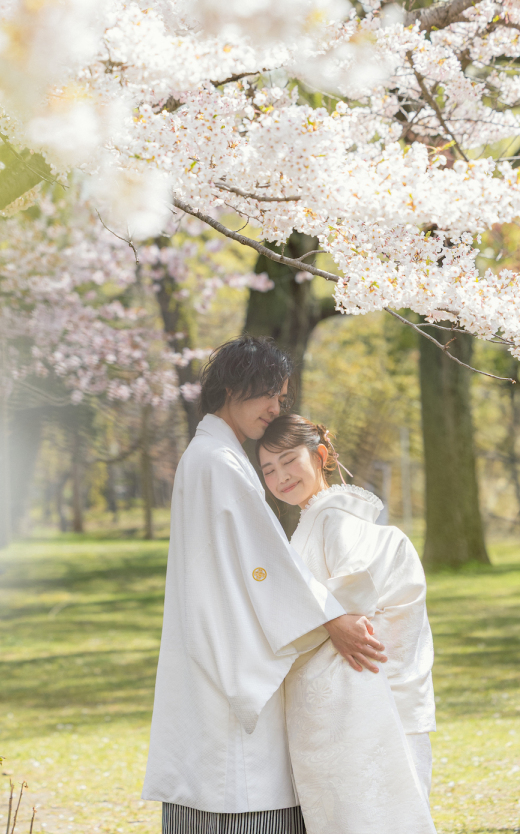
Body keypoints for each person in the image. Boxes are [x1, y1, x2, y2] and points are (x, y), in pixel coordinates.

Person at [142, 337, 386, 834]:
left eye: (282, 397)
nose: (277, 407)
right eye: (268, 393)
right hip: (223, 652)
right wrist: (330, 618)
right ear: (233, 389)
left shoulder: (211, 454)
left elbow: (252, 562)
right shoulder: (218, 461)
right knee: (240, 783)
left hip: (213, 646)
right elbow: (261, 563)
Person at [257, 414, 436, 834]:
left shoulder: (333, 522)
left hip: (347, 708)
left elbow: (348, 613)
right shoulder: (317, 521)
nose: (280, 477)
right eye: (268, 469)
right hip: (340, 706)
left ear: (320, 456)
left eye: (288, 461)